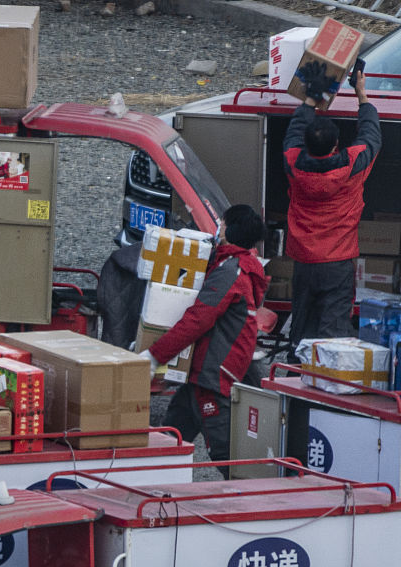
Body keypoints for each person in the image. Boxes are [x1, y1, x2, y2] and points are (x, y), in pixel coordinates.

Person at [141, 204, 268, 477]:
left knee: (224, 452)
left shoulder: (229, 272)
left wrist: (155, 355)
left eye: (222, 223)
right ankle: (156, 486)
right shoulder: (235, 265)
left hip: (213, 374)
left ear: (231, 230)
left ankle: (245, 501)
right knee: (171, 438)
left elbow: (198, 319)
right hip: (201, 374)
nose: (218, 227)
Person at [284, 64, 380, 353]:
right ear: (337, 144)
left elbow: (295, 131)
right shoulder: (351, 165)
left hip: (303, 262)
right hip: (337, 263)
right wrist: (361, 93)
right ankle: (327, 386)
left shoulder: (292, 162)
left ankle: (293, 387)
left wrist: (312, 98)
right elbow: (372, 136)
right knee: (333, 333)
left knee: (301, 327)